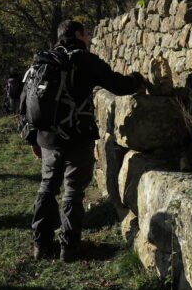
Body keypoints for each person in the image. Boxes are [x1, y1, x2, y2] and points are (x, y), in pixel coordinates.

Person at [27, 19, 144, 262]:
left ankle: (40, 245)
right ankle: (69, 248)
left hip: (47, 137)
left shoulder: (43, 60)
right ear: (79, 35)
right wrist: (138, 79)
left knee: (47, 187)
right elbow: (118, 85)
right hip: (77, 135)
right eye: (86, 35)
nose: (89, 39)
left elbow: (26, 101)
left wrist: (33, 138)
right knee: (72, 191)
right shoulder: (85, 59)